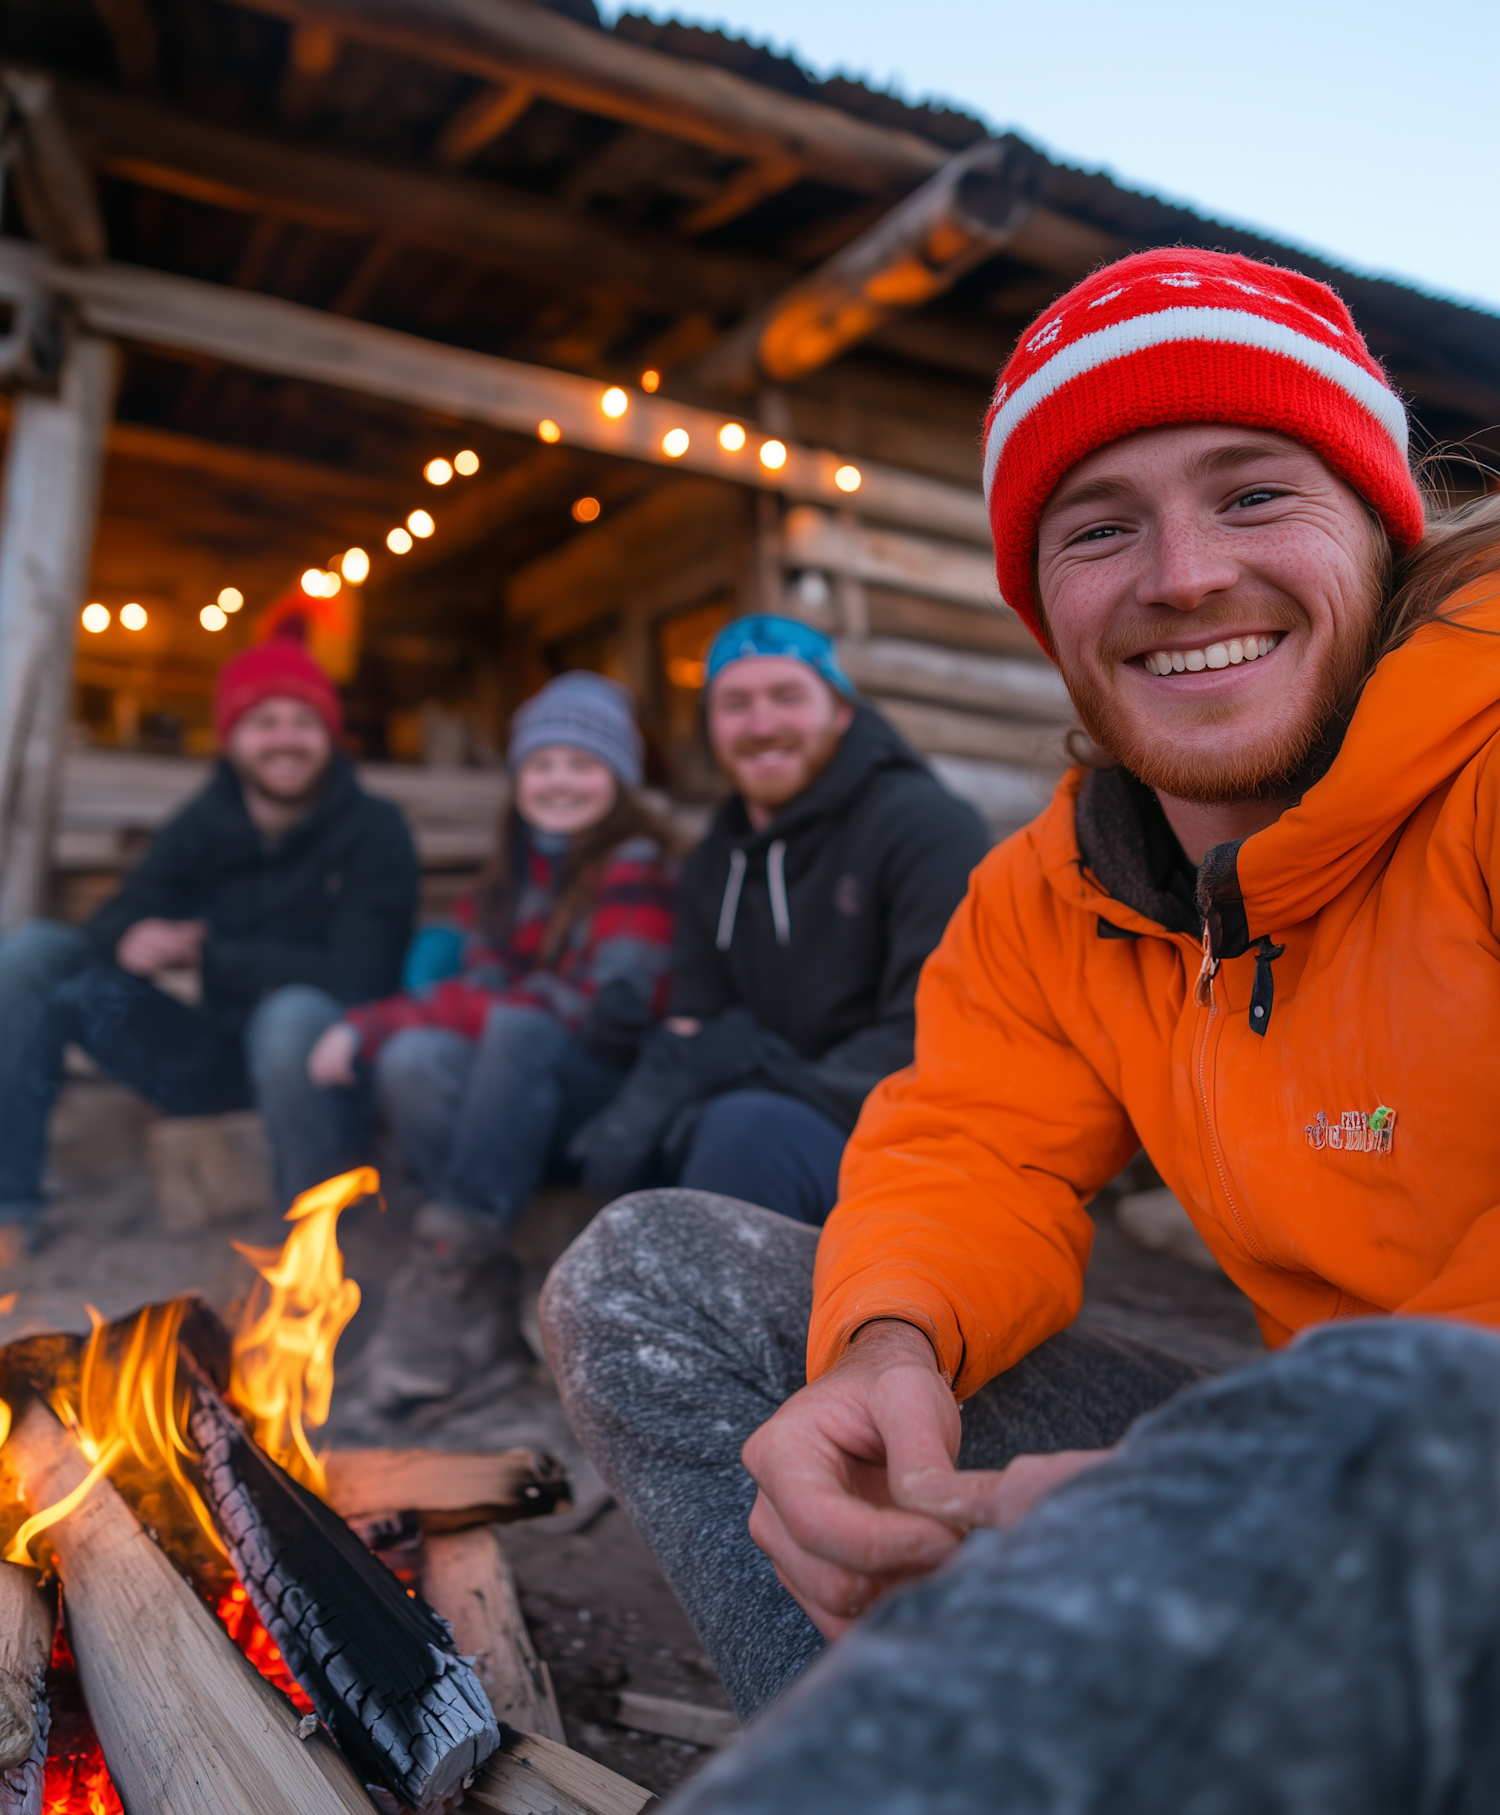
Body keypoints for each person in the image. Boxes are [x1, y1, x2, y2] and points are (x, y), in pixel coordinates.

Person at [541, 246, 1500, 1806]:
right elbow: (969, 1143)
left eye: (1255, 492)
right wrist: (886, 1345)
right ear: (1041, 603)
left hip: (1444, 1446)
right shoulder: (1050, 889)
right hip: (1287, 1424)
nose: (1182, 573)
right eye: (1099, 527)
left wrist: (1249, 1486)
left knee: (1400, 1407)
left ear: (1381, 528)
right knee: (645, 1278)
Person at [309, 671, 678, 1412]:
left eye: (583, 763)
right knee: (417, 1058)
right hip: (512, 1092)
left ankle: (450, 1272)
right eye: (543, 763)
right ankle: (480, 1284)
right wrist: (395, 1029)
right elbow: (477, 988)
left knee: (513, 1024)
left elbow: (605, 1005)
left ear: (619, 776)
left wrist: (373, 1019)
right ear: (518, 777)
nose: (559, 780)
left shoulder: (639, 861)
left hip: (607, 1090)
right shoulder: (507, 873)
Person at [0, 638, 418, 1256]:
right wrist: (131, 935)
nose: (285, 738)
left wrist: (210, 955)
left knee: (291, 1014)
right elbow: (116, 916)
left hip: (325, 1064)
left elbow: (362, 974)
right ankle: (11, 1208)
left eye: (304, 722)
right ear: (231, 735)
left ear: (329, 735)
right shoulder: (206, 820)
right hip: (211, 1061)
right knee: (35, 954)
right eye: (263, 721)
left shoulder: (375, 828)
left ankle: (312, 1250)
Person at [569, 616, 989, 1225]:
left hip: (910, 1127)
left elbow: (933, 1040)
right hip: (774, 1100)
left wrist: (751, 1073)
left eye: (787, 697)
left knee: (741, 1131)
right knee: (618, 1109)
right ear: (711, 727)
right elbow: (698, 1013)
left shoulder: (925, 827)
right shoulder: (716, 856)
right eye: (735, 704)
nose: (761, 725)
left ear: (841, 711)